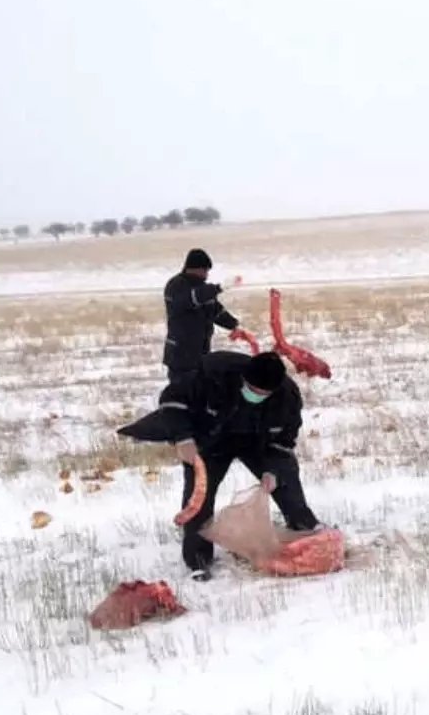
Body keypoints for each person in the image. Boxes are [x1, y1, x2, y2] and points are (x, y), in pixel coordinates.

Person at [118, 350, 322, 581]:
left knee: (286, 479)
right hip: (211, 439)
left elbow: (284, 441)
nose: (256, 395)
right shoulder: (213, 374)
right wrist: (183, 438)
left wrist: (273, 472)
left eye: (262, 394)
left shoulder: (287, 398)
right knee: (199, 497)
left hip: (255, 441)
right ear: (243, 378)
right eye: (252, 389)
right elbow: (173, 402)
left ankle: (307, 528)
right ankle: (198, 559)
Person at [163, 248, 241, 382]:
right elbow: (191, 299)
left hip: (200, 352)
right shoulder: (176, 286)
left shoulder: (203, 289)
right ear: (193, 268)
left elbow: (215, 311)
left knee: (198, 392)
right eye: (205, 271)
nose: (206, 275)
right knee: (181, 392)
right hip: (180, 355)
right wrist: (218, 288)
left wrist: (233, 325)